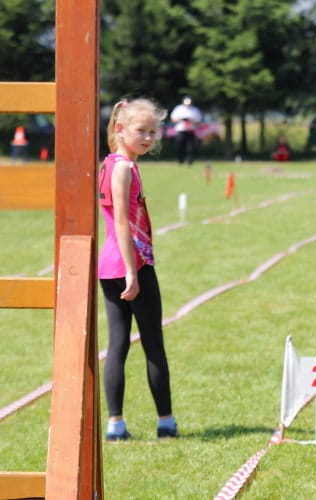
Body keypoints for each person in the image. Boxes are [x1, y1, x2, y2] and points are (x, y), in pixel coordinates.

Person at [98, 97, 178, 441]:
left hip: (109, 266)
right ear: (120, 129)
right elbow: (120, 224)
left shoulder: (109, 163)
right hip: (133, 265)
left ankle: (116, 424)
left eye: (153, 132)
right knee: (152, 344)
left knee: (117, 345)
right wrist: (133, 271)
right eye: (141, 131)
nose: (148, 138)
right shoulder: (124, 168)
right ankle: (166, 422)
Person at [170, 95, 202, 166]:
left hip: (191, 130)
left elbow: (198, 121)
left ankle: (190, 162)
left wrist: (191, 121)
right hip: (181, 130)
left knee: (191, 147)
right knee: (179, 146)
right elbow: (173, 119)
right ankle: (180, 160)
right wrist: (181, 119)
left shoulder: (195, 110)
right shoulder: (178, 109)